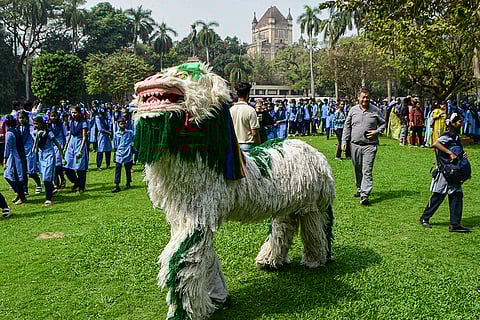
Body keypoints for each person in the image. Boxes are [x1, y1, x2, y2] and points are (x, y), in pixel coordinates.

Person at [419, 113, 470, 232]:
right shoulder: (447, 135)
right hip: (445, 171)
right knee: (438, 196)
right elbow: (435, 144)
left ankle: (455, 224)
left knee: (457, 195)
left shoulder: (456, 136)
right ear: (452, 123)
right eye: (458, 122)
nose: (460, 123)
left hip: (454, 171)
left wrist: (462, 155)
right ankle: (424, 218)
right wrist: (449, 153)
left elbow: (456, 150)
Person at [342, 87, 386, 205]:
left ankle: (365, 194)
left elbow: (383, 124)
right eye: (363, 97)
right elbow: (347, 126)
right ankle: (359, 188)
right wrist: (344, 141)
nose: (365, 100)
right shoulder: (353, 110)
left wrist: (376, 132)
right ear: (359, 98)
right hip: (355, 144)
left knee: (367, 170)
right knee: (357, 168)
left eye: (367, 97)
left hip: (370, 146)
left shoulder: (375, 110)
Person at [33, 116, 65, 206]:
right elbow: (35, 147)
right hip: (41, 156)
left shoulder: (48, 133)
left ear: (42, 123)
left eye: (37, 123)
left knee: (47, 176)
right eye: (34, 123)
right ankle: (51, 190)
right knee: (44, 177)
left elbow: (57, 144)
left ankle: (48, 199)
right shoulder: (35, 133)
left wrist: (62, 157)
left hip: (49, 155)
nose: (35, 125)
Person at [63, 105, 89, 193]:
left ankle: (81, 187)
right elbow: (70, 134)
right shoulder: (71, 122)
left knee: (79, 167)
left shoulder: (83, 122)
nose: (74, 114)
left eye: (75, 112)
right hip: (71, 143)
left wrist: (81, 150)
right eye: (72, 112)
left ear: (79, 113)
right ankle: (76, 182)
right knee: (67, 165)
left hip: (79, 142)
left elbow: (84, 137)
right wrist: (66, 146)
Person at [229, 82, 260, 151]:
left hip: (234, 146)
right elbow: (254, 133)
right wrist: (259, 146)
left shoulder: (231, 110)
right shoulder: (250, 110)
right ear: (247, 95)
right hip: (247, 146)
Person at [3, 115, 27, 205]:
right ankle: (19, 193)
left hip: (15, 157)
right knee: (9, 175)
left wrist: (5, 159)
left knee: (15, 177)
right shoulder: (17, 130)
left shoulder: (9, 133)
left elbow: (7, 147)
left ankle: (21, 196)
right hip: (20, 155)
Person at [18, 110, 42, 196]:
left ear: (27, 119)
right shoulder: (18, 128)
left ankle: (38, 184)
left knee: (31, 172)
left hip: (30, 152)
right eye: (20, 118)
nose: (21, 120)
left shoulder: (30, 128)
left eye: (23, 118)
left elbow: (35, 138)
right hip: (22, 153)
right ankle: (25, 190)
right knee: (23, 172)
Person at [111, 117, 134, 193]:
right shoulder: (116, 134)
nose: (122, 125)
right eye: (121, 124)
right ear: (118, 125)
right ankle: (117, 185)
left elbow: (133, 140)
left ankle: (128, 183)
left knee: (128, 169)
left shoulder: (130, 133)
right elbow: (115, 144)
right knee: (118, 170)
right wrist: (115, 154)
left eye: (124, 124)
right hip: (119, 153)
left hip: (127, 153)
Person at [48, 110, 67, 189]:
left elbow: (65, 134)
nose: (53, 118)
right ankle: (57, 182)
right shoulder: (48, 126)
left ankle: (61, 179)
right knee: (53, 165)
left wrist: (65, 146)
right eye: (52, 116)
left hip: (60, 146)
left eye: (55, 116)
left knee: (58, 165)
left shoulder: (61, 125)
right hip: (51, 146)